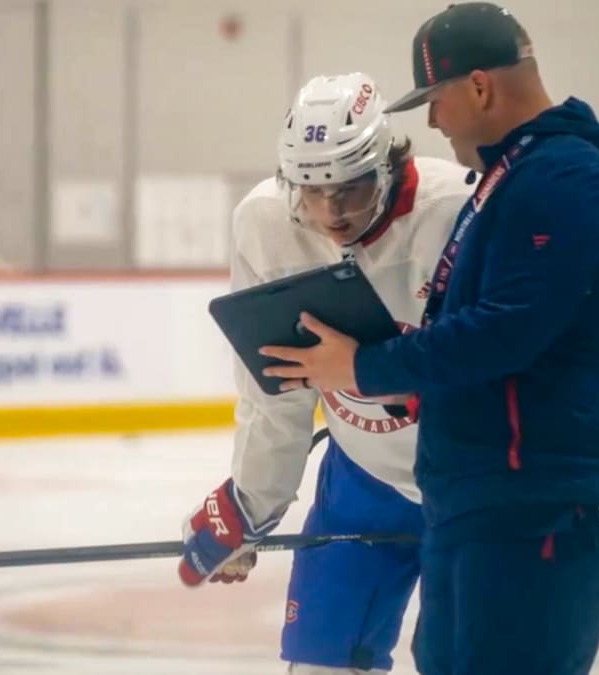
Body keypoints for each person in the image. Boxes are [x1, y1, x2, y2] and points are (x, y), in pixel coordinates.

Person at [258, 3, 599, 673]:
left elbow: (506, 332)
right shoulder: (513, 179)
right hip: (488, 510)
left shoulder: (563, 178)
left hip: (538, 514)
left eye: (436, 100)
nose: (434, 121)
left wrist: (364, 364)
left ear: (478, 87)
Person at [177, 72, 474, 674]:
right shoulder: (265, 223)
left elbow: (553, 348)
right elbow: (275, 388)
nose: (330, 213)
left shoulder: (460, 210)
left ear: (389, 165)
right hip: (363, 485)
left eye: (350, 189)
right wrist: (249, 504)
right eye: (311, 191)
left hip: (475, 486)